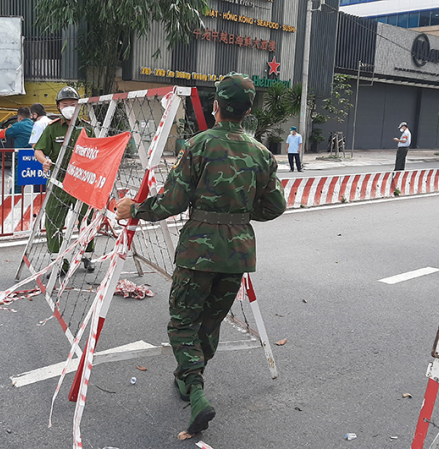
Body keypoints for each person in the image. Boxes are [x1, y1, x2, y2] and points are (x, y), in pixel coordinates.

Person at [115, 73, 287, 438]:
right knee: (210, 322)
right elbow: (275, 207)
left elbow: (171, 202)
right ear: (248, 110)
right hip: (237, 253)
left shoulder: (198, 145)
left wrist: (135, 209)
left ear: (217, 106)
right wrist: (238, 214)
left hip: (197, 250)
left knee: (181, 322)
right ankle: (187, 377)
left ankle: (195, 391)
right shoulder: (261, 153)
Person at [34, 87, 95, 275]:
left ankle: (87, 256)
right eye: (65, 105)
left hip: (82, 183)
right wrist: (44, 161)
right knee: (53, 220)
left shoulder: (87, 128)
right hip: (58, 183)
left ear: (79, 106)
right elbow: (38, 150)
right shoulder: (52, 129)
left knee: (86, 220)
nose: (69, 107)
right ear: (59, 107)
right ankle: (59, 260)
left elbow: (96, 153)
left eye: (73, 104)